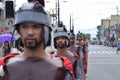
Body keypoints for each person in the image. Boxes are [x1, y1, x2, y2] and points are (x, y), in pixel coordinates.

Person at [0, 2, 74, 80]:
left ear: (45, 30)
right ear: (18, 31)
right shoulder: (6, 68)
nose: (30, 32)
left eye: (36, 27)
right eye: (24, 27)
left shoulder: (61, 69)